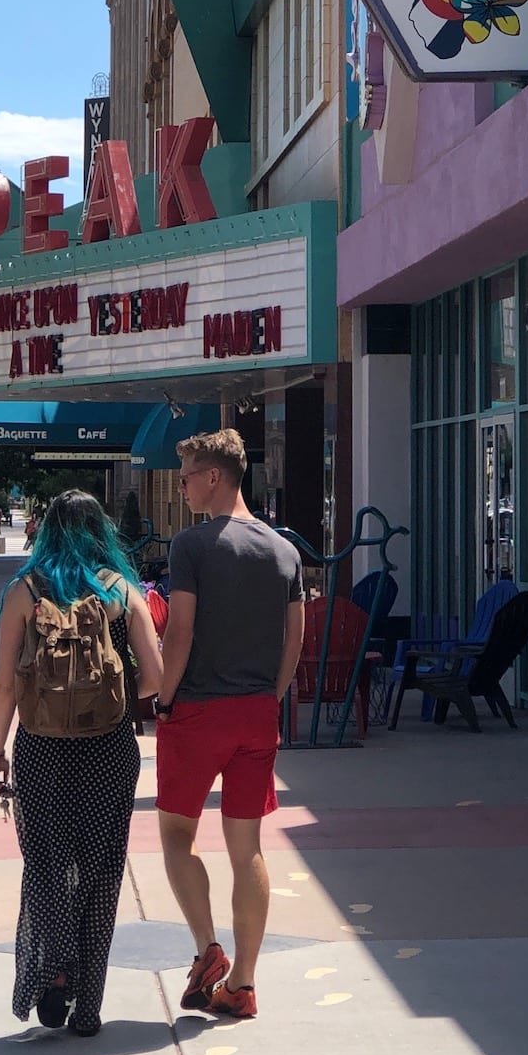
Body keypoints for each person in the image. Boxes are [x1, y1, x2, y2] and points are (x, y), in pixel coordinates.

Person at [0, 490, 162, 1038]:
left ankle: (55, 962)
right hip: (110, 748)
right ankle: (88, 1007)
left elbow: (6, 684)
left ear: (46, 532)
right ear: (100, 531)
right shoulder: (121, 591)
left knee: (45, 863)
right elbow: (155, 679)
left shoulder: (24, 591)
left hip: (40, 747)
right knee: (101, 868)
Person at [156, 428, 305, 1022]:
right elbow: (295, 638)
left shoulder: (192, 545)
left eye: (188, 473)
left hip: (197, 710)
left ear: (214, 475)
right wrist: (272, 696)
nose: (184, 484)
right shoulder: (285, 550)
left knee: (175, 837)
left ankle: (206, 950)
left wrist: (163, 701)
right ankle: (243, 982)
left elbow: (181, 631)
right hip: (257, 712)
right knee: (247, 849)